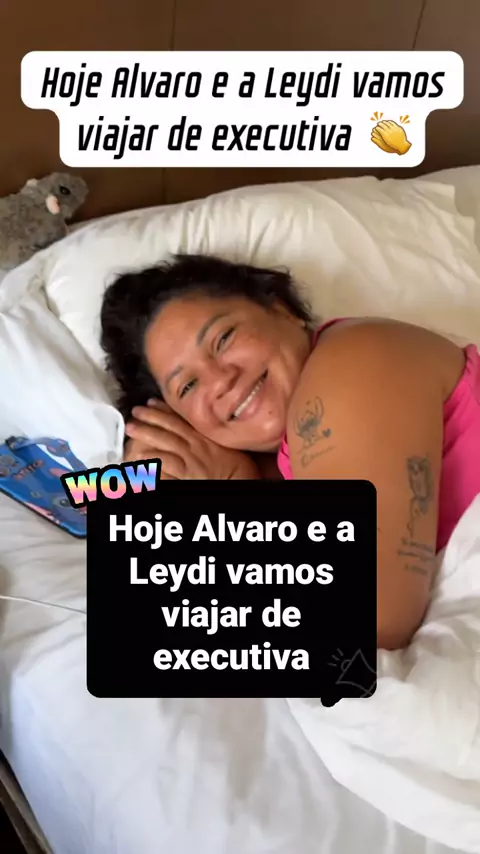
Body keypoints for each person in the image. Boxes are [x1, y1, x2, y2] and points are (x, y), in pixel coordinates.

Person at [100, 254, 480, 651]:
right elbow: (91, 496)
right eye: (188, 386)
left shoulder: (353, 359)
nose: (221, 381)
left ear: (282, 309)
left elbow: (367, 619)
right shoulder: (272, 458)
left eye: (223, 339)